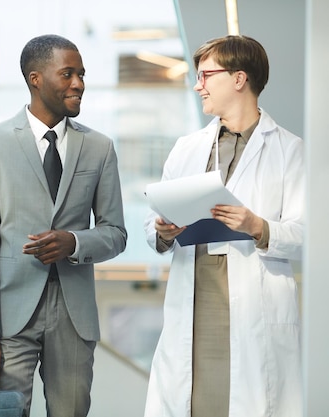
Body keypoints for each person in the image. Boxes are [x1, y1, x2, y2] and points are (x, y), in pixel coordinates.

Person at [0, 34, 127, 416]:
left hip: (74, 315)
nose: (79, 84)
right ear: (35, 79)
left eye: (82, 75)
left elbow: (116, 234)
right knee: (4, 412)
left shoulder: (99, 148)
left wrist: (73, 242)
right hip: (10, 318)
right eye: (67, 74)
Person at [143, 35, 304, 417]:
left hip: (253, 300)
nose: (198, 85)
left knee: (251, 399)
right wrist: (162, 230)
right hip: (196, 295)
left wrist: (258, 225)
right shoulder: (187, 147)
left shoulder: (289, 150)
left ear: (239, 79)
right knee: (194, 400)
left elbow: (309, 235)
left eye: (205, 76)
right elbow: (154, 219)